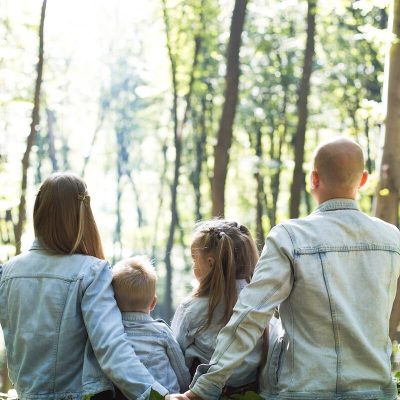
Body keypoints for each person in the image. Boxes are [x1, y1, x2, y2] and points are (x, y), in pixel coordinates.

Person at [184, 137, 400, 400]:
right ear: (364, 180)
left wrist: (205, 387)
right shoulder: (392, 239)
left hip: (301, 391)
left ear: (314, 179)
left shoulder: (290, 237)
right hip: (376, 392)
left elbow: (250, 315)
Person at [0, 172, 187, 400]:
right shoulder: (91, 272)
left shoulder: (7, 272)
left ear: (38, 210)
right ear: (82, 214)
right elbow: (111, 348)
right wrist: (160, 395)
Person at [171, 219, 265, 396]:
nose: (193, 266)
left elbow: (175, 355)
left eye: (194, 259)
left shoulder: (192, 308)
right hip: (250, 393)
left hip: (201, 394)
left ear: (210, 262)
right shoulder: (260, 302)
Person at [111, 255, 190, 395]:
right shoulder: (162, 332)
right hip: (166, 395)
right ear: (153, 303)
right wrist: (185, 391)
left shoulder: (110, 333)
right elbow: (180, 369)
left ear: (113, 302)